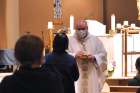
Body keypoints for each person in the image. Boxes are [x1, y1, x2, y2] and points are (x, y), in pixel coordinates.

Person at [68, 20, 107, 93]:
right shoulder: (70, 40)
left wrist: (94, 57)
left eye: (83, 29)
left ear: (87, 28)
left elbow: (103, 54)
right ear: (75, 29)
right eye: (78, 29)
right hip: (76, 71)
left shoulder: (95, 40)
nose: (81, 31)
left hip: (91, 71)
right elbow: (65, 54)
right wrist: (75, 55)